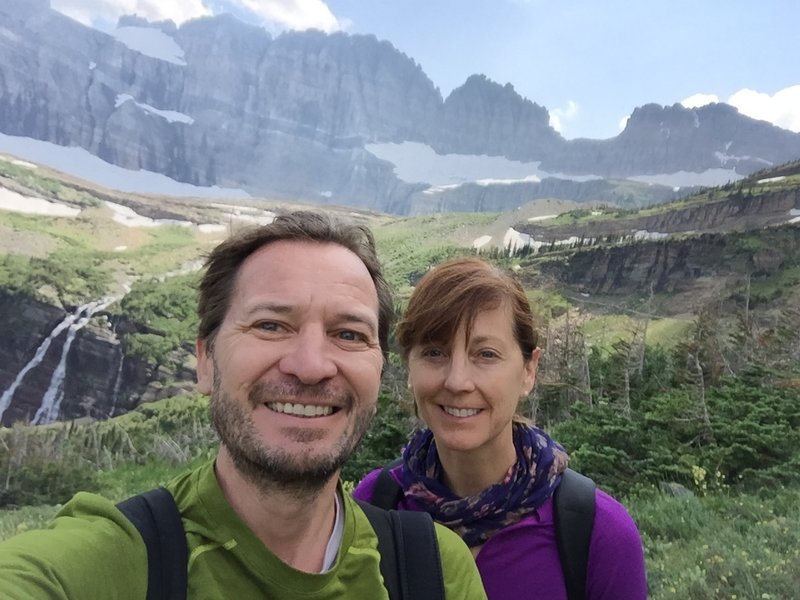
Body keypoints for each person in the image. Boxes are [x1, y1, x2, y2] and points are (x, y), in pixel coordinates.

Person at [0, 211, 487, 599]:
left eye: (348, 334)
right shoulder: (111, 561)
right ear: (206, 360)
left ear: (380, 368)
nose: (312, 365)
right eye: (271, 325)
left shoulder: (434, 571)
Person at [353, 257, 648, 600]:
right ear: (409, 367)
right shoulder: (377, 503)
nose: (458, 380)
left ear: (528, 371)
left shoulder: (598, 533)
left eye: (486, 354)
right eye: (434, 352)